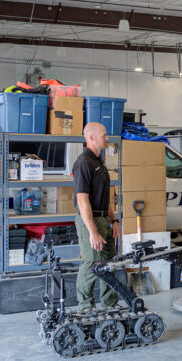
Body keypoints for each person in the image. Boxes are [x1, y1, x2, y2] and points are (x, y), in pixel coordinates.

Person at [73, 121, 120, 312]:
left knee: (109, 263)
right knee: (92, 263)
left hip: (103, 220)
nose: (107, 138)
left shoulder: (99, 161)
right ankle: (85, 308)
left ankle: (110, 304)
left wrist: (113, 219)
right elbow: (82, 200)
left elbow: (105, 195)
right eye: (104, 135)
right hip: (89, 221)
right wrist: (92, 231)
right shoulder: (84, 163)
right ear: (91, 137)